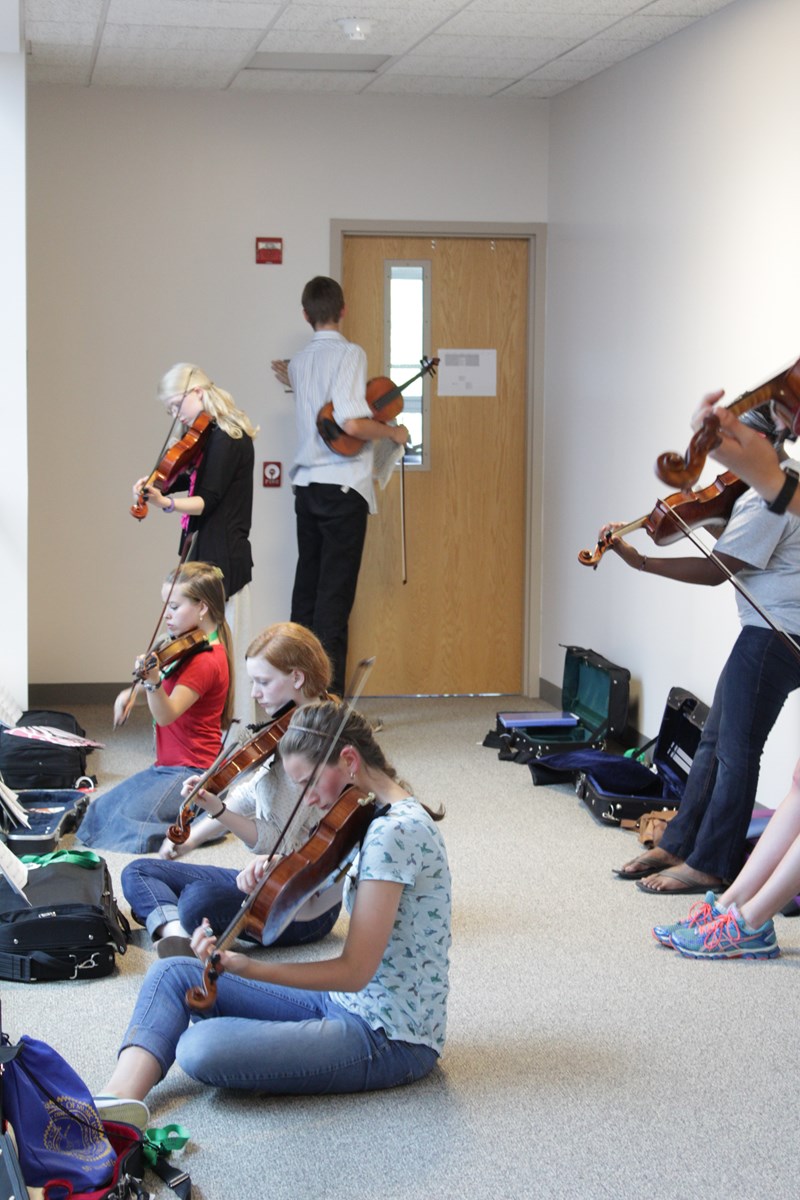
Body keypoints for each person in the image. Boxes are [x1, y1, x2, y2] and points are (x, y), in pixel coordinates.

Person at [92, 699, 450, 1127]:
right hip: (346, 1003)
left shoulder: (395, 833)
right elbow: (314, 893)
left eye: (309, 783)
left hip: (387, 1036)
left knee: (200, 1047)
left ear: (349, 760)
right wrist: (273, 875)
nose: (310, 799)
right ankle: (118, 1102)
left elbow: (355, 971)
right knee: (172, 973)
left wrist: (248, 968)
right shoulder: (368, 813)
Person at [608, 409, 800, 894]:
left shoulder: (769, 496)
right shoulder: (778, 486)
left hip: (774, 633)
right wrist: (702, 515)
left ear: (759, 442)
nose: (720, 457)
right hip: (773, 630)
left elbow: (719, 570)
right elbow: (743, 549)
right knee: (715, 743)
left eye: (729, 443)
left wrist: (642, 561)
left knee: (736, 752)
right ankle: (681, 843)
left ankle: (711, 865)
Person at [120, 622, 342, 957]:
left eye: (263, 682)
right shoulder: (286, 725)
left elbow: (273, 840)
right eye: (253, 682)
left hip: (301, 902)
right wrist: (193, 837)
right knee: (138, 871)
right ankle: (176, 933)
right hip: (268, 880)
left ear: (297, 678)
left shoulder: (313, 746)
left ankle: (174, 923)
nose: (254, 693)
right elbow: (250, 793)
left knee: (198, 899)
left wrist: (219, 811)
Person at [271, 276, 409, 696]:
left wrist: (292, 375)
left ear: (305, 315)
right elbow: (350, 422)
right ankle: (327, 705)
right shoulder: (351, 353)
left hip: (306, 488)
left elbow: (324, 408)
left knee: (307, 593)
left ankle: (295, 697)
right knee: (334, 598)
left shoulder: (300, 363)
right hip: (343, 488)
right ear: (343, 310)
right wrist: (393, 432)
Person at [77, 562, 233, 854]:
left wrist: (152, 682)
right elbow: (166, 684)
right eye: (165, 607)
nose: (166, 615)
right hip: (166, 767)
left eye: (174, 606)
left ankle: (206, 820)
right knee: (99, 811)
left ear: (202, 607)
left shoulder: (206, 660)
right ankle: (198, 814)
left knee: (125, 822)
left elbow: (165, 714)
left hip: (192, 772)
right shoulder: (185, 647)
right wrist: (131, 692)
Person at [132, 363, 258, 720]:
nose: (176, 415)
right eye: (170, 410)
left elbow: (207, 500)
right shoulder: (202, 439)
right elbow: (176, 480)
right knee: (201, 643)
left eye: (177, 405)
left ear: (198, 392)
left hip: (224, 555)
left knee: (225, 645)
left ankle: (233, 727)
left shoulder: (228, 437)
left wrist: (167, 503)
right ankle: (199, 722)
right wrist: (150, 485)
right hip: (202, 550)